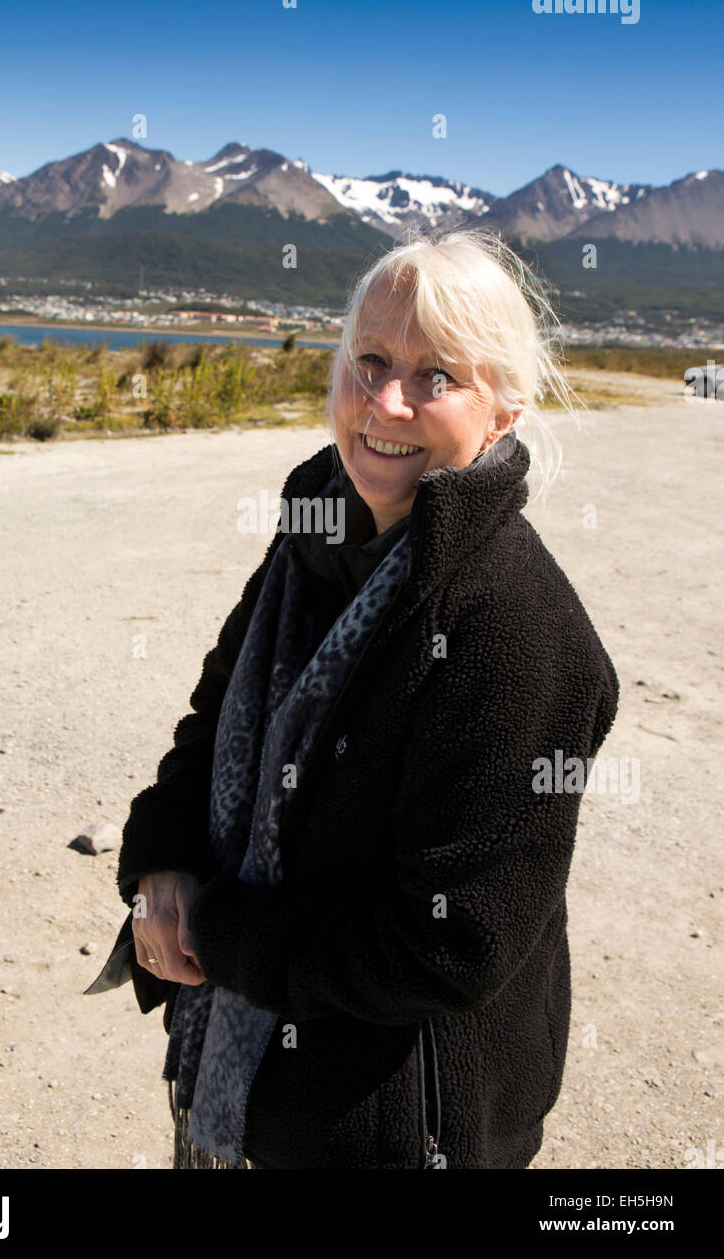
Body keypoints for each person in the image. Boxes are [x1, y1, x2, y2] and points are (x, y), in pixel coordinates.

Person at [111, 226, 620, 1169]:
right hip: (249, 1091)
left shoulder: (518, 630)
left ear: (503, 410)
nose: (388, 402)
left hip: (395, 1130)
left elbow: (452, 943)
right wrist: (160, 860)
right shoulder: (315, 525)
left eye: (437, 378)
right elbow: (214, 717)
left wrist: (219, 934)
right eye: (371, 361)